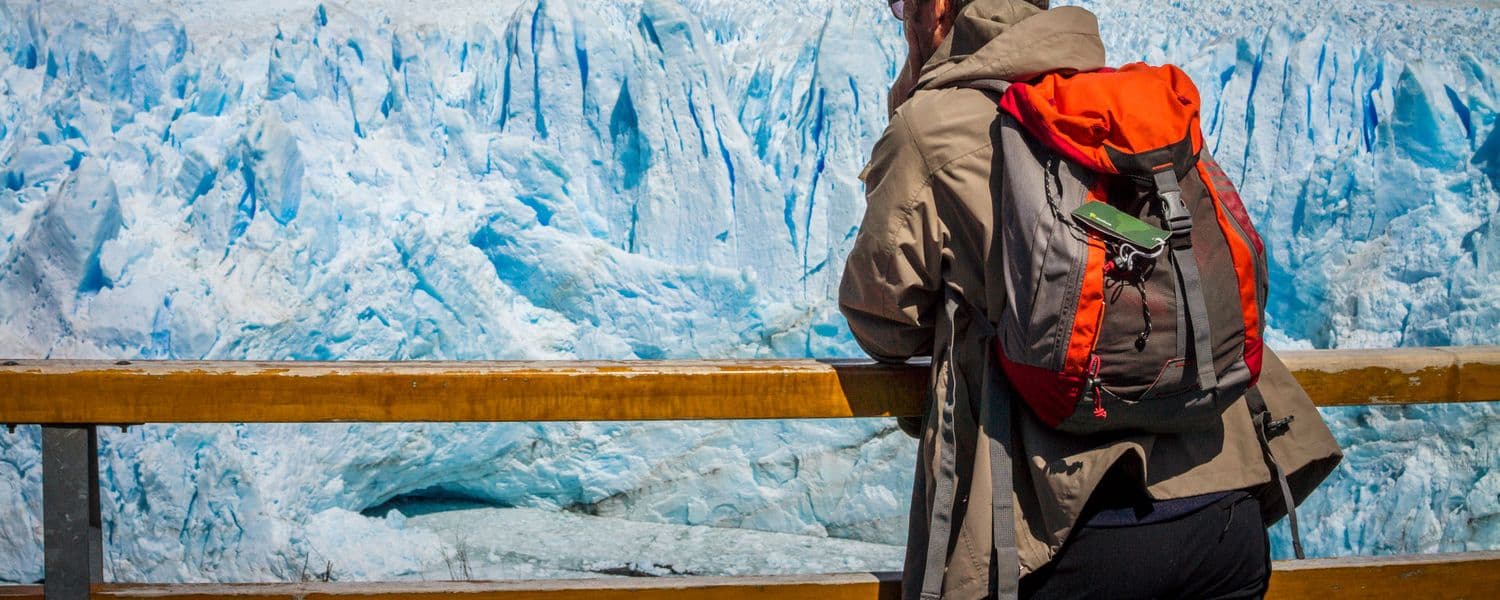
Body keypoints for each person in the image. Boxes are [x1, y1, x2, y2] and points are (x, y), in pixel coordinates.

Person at [838, 0, 1343, 598]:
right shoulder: (1134, 108)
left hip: (1064, 539)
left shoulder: (932, 129)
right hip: (1224, 513)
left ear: (941, 7)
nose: (902, 17)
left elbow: (883, 323)